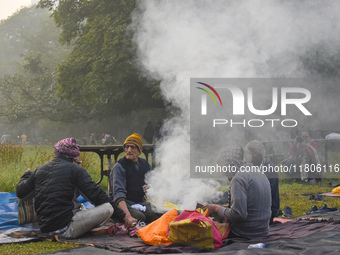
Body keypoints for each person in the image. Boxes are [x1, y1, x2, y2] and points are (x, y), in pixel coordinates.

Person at [16, 137, 136, 239]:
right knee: (108, 208)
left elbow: (20, 192)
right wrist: (124, 216)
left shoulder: (39, 169)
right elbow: (98, 196)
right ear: (73, 156)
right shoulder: (75, 170)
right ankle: (86, 228)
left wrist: (26, 175)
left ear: (55, 153)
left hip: (44, 228)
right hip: (64, 229)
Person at [204, 147, 271, 240]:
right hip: (262, 232)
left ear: (228, 163)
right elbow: (250, 206)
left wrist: (216, 208)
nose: (222, 172)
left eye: (221, 166)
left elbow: (238, 215)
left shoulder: (238, 179)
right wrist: (220, 209)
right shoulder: (259, 172)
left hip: (246, 234)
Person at [109, 133, 159, 223]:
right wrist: (127, 216)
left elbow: (154, 183)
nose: (129, 150)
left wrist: (149, 186)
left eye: (133, 147)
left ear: (139, 150)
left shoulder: (145, 164)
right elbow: (118, 196)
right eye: (127, 147)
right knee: (139, 217)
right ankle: (114, 216)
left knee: (155, 215)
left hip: (139, 202)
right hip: (123, 203)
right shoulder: (119, 167)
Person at [244, 140, 280, 224]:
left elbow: (260, 194)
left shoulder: (270, 170)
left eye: (248, 153)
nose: (245, 155)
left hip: (266, 212)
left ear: (257, 155)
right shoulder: (249, 167)